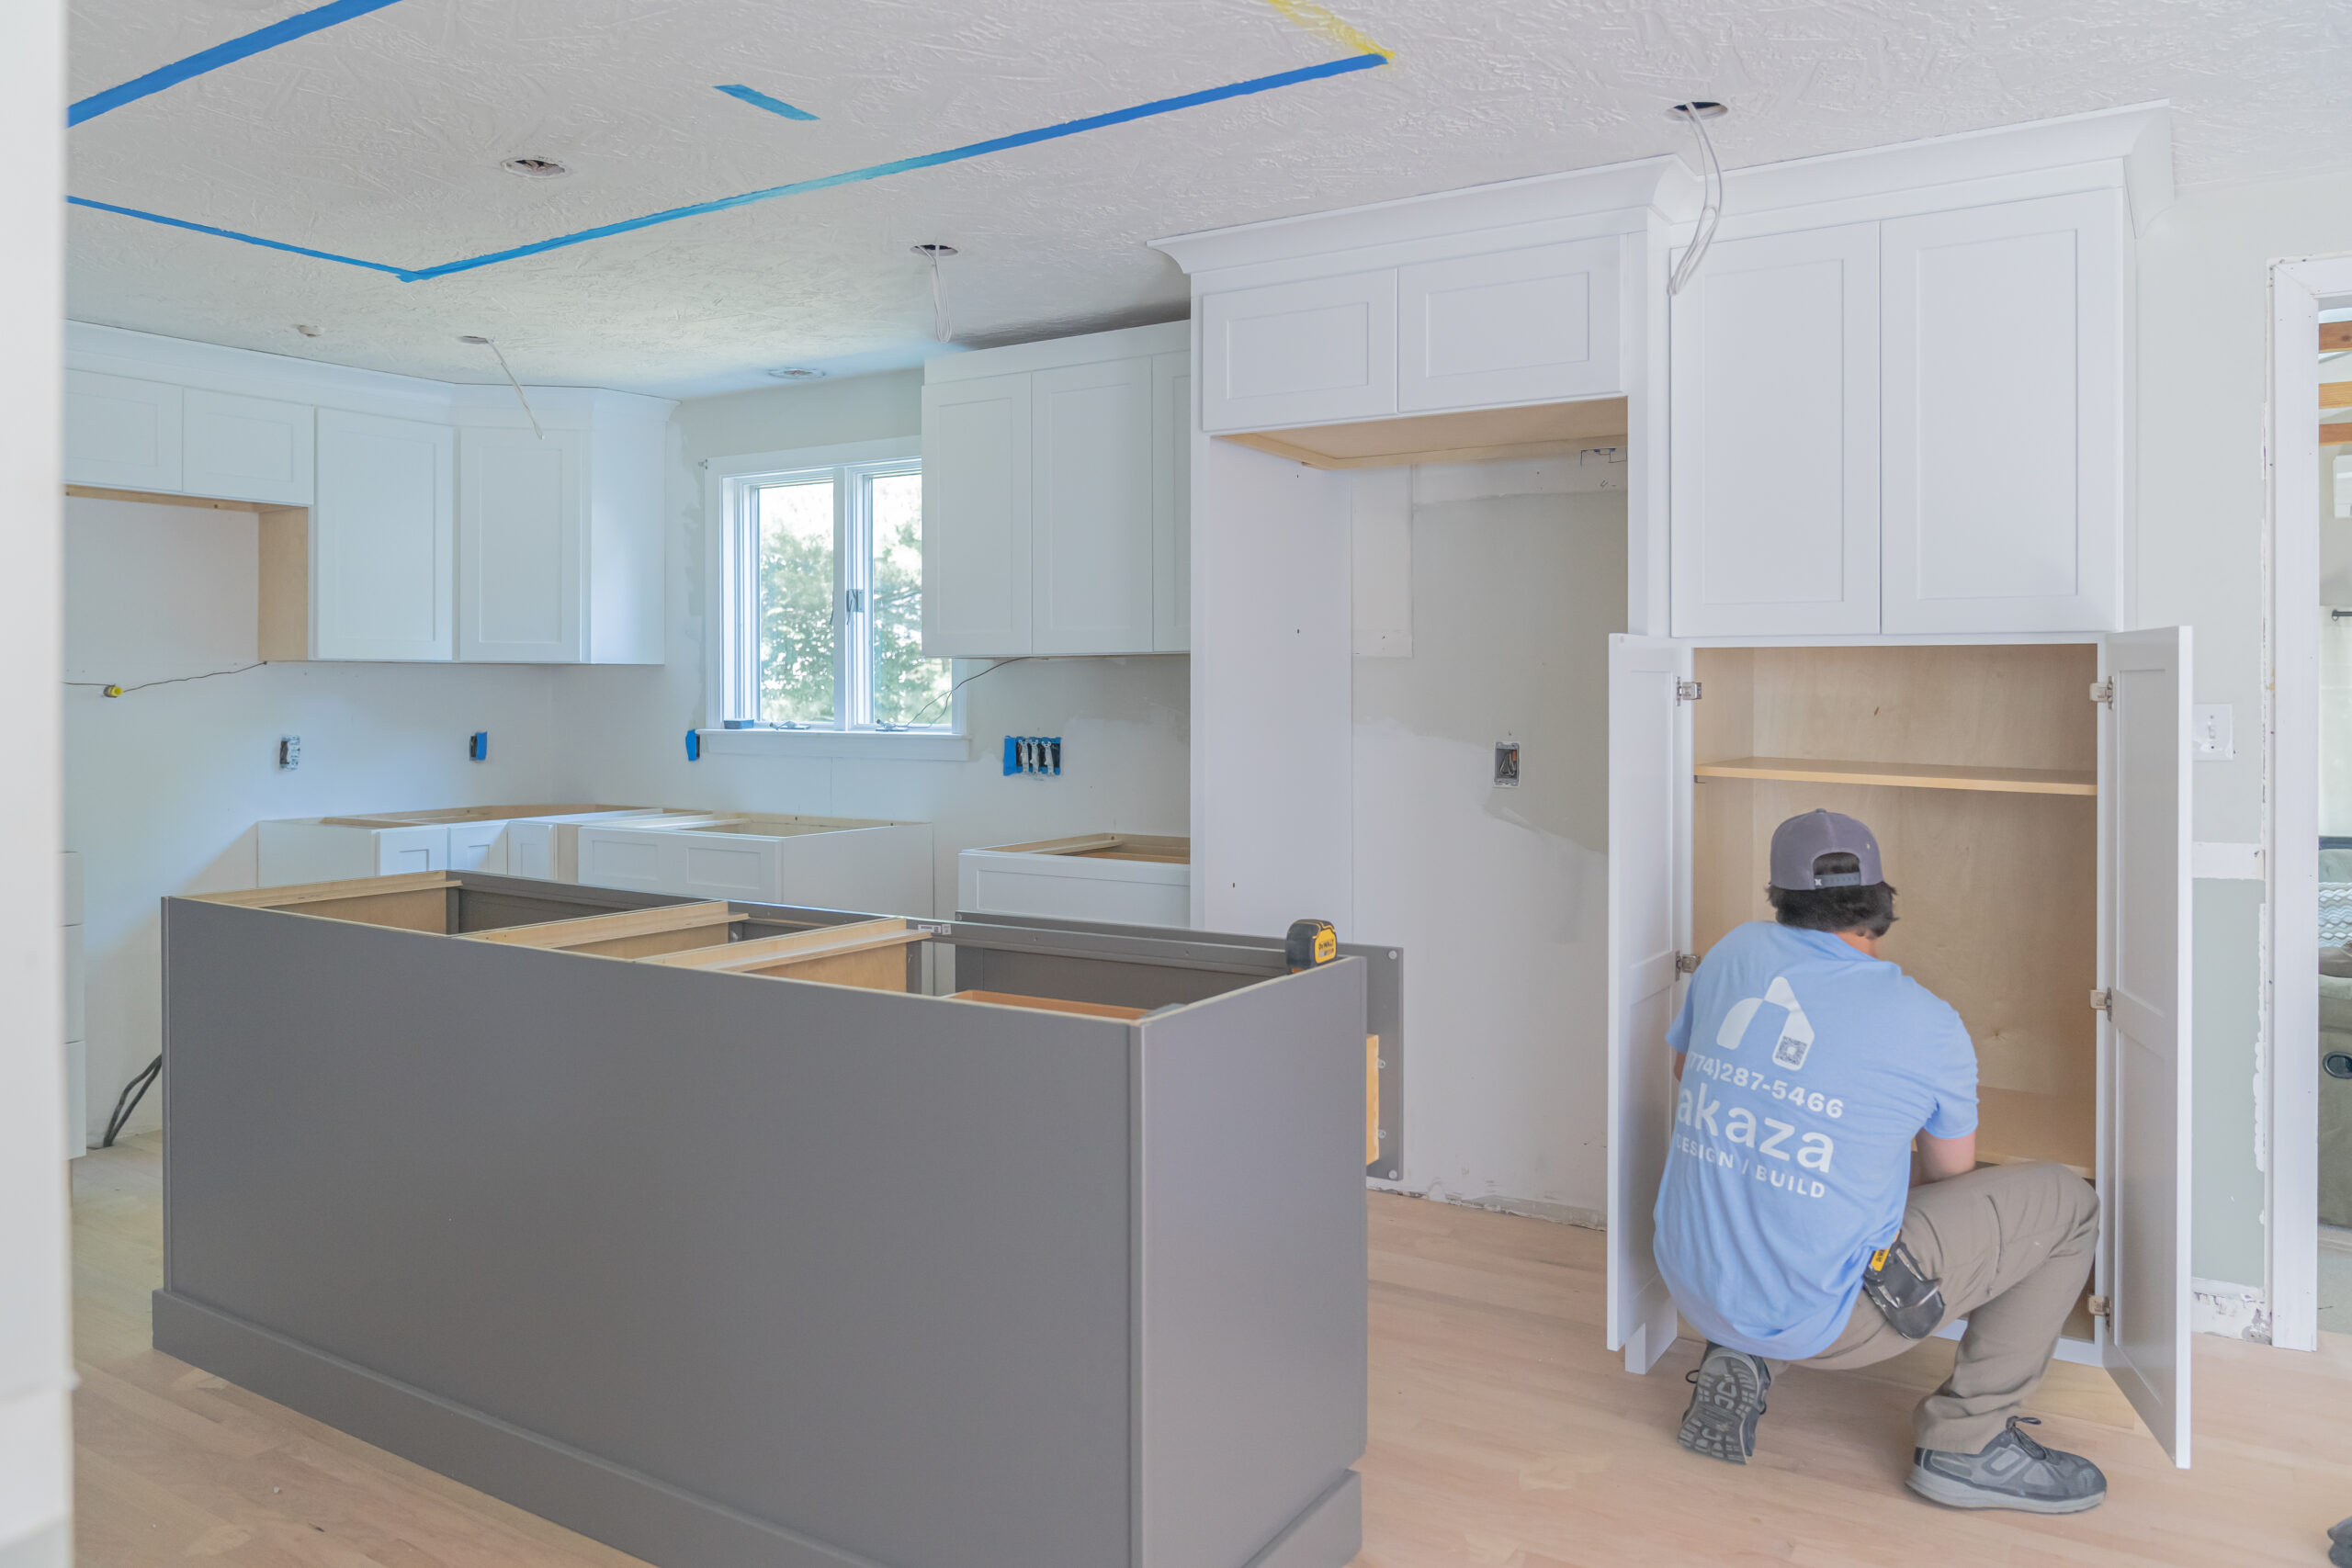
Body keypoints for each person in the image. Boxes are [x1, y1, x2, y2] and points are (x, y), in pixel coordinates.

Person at [1656, 808, 2107, 1514]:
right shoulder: (1927, 1022)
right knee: (2069, 1204)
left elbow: (1687, 1070)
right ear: (1880, 900)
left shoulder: (1732, 952)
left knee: (1788, 1191)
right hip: (1832, 1319)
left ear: (1779, 895)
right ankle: (1969, 1444)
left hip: (1692, 1283)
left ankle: (1741, 1348)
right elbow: (1952, 1179)